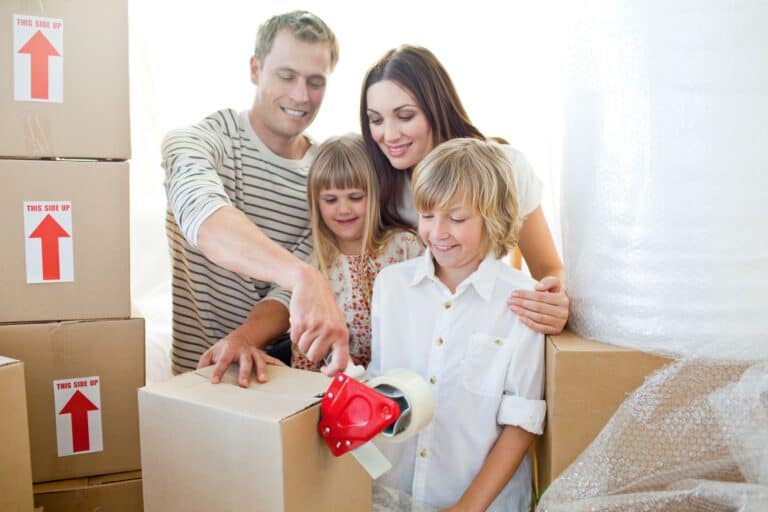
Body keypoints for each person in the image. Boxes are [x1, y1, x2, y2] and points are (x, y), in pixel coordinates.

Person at [161, 11, 349, 387]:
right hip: (199, 379)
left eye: (316, 82)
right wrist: (302, 276)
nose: (301, 95)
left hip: (276, 380)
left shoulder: (329, 178)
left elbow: (287, 292)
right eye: (286, 76)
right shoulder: (198, 142)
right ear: (255, 69)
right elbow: (205, 218)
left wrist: (245, 338)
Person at [369, 138, 545, 512]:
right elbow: (382, 384)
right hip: (392, 496)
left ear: (493, 217)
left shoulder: (522, 301)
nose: (439, 232)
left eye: (458, 218)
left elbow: (522, 422)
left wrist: (466, 508)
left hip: (480, 502)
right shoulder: (391, 286)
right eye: (428, 215)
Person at [360, 45, 570, 334]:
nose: (390, 135)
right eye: (376, 120)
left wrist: (552, 300)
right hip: (410, 336)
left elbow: (548, 267)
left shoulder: (505, 167)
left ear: (436, 109)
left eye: (405, 116)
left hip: (482, 329)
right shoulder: (376, 180)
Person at [292, 134, 423, 371]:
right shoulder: (314, 268)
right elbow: (305, 352)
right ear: (316, 203)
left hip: (404, 383)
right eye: (330, 199)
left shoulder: (405, 247)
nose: (344, 209)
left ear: (374, 193)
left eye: (355, 197)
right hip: (338, 388)